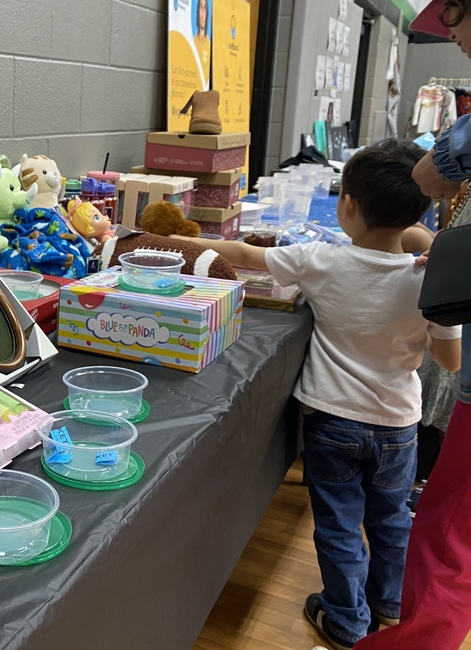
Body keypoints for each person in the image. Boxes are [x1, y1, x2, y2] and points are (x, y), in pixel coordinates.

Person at [179, 141, 462, 650]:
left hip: (333, 423)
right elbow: (449, 362)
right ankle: (389, 601)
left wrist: (186, 239)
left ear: (347, 205)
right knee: (392, 518)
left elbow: (246, 255)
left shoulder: (321, 261)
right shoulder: (428, 276)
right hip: (398, 426)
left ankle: (345, 619)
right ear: (421, 208)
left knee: (338, 525)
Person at [356, 0, 471, 650]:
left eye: (454, 16)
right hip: (406, 423)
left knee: (446, 533)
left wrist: (450, 156)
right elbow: (451, 355)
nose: (452, 37)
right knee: (429, 524)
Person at [194, 0, 211, 75]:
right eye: (200, 7)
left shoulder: (209, 44)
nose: (202, 14)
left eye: (204, 8)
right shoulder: (193, 42)